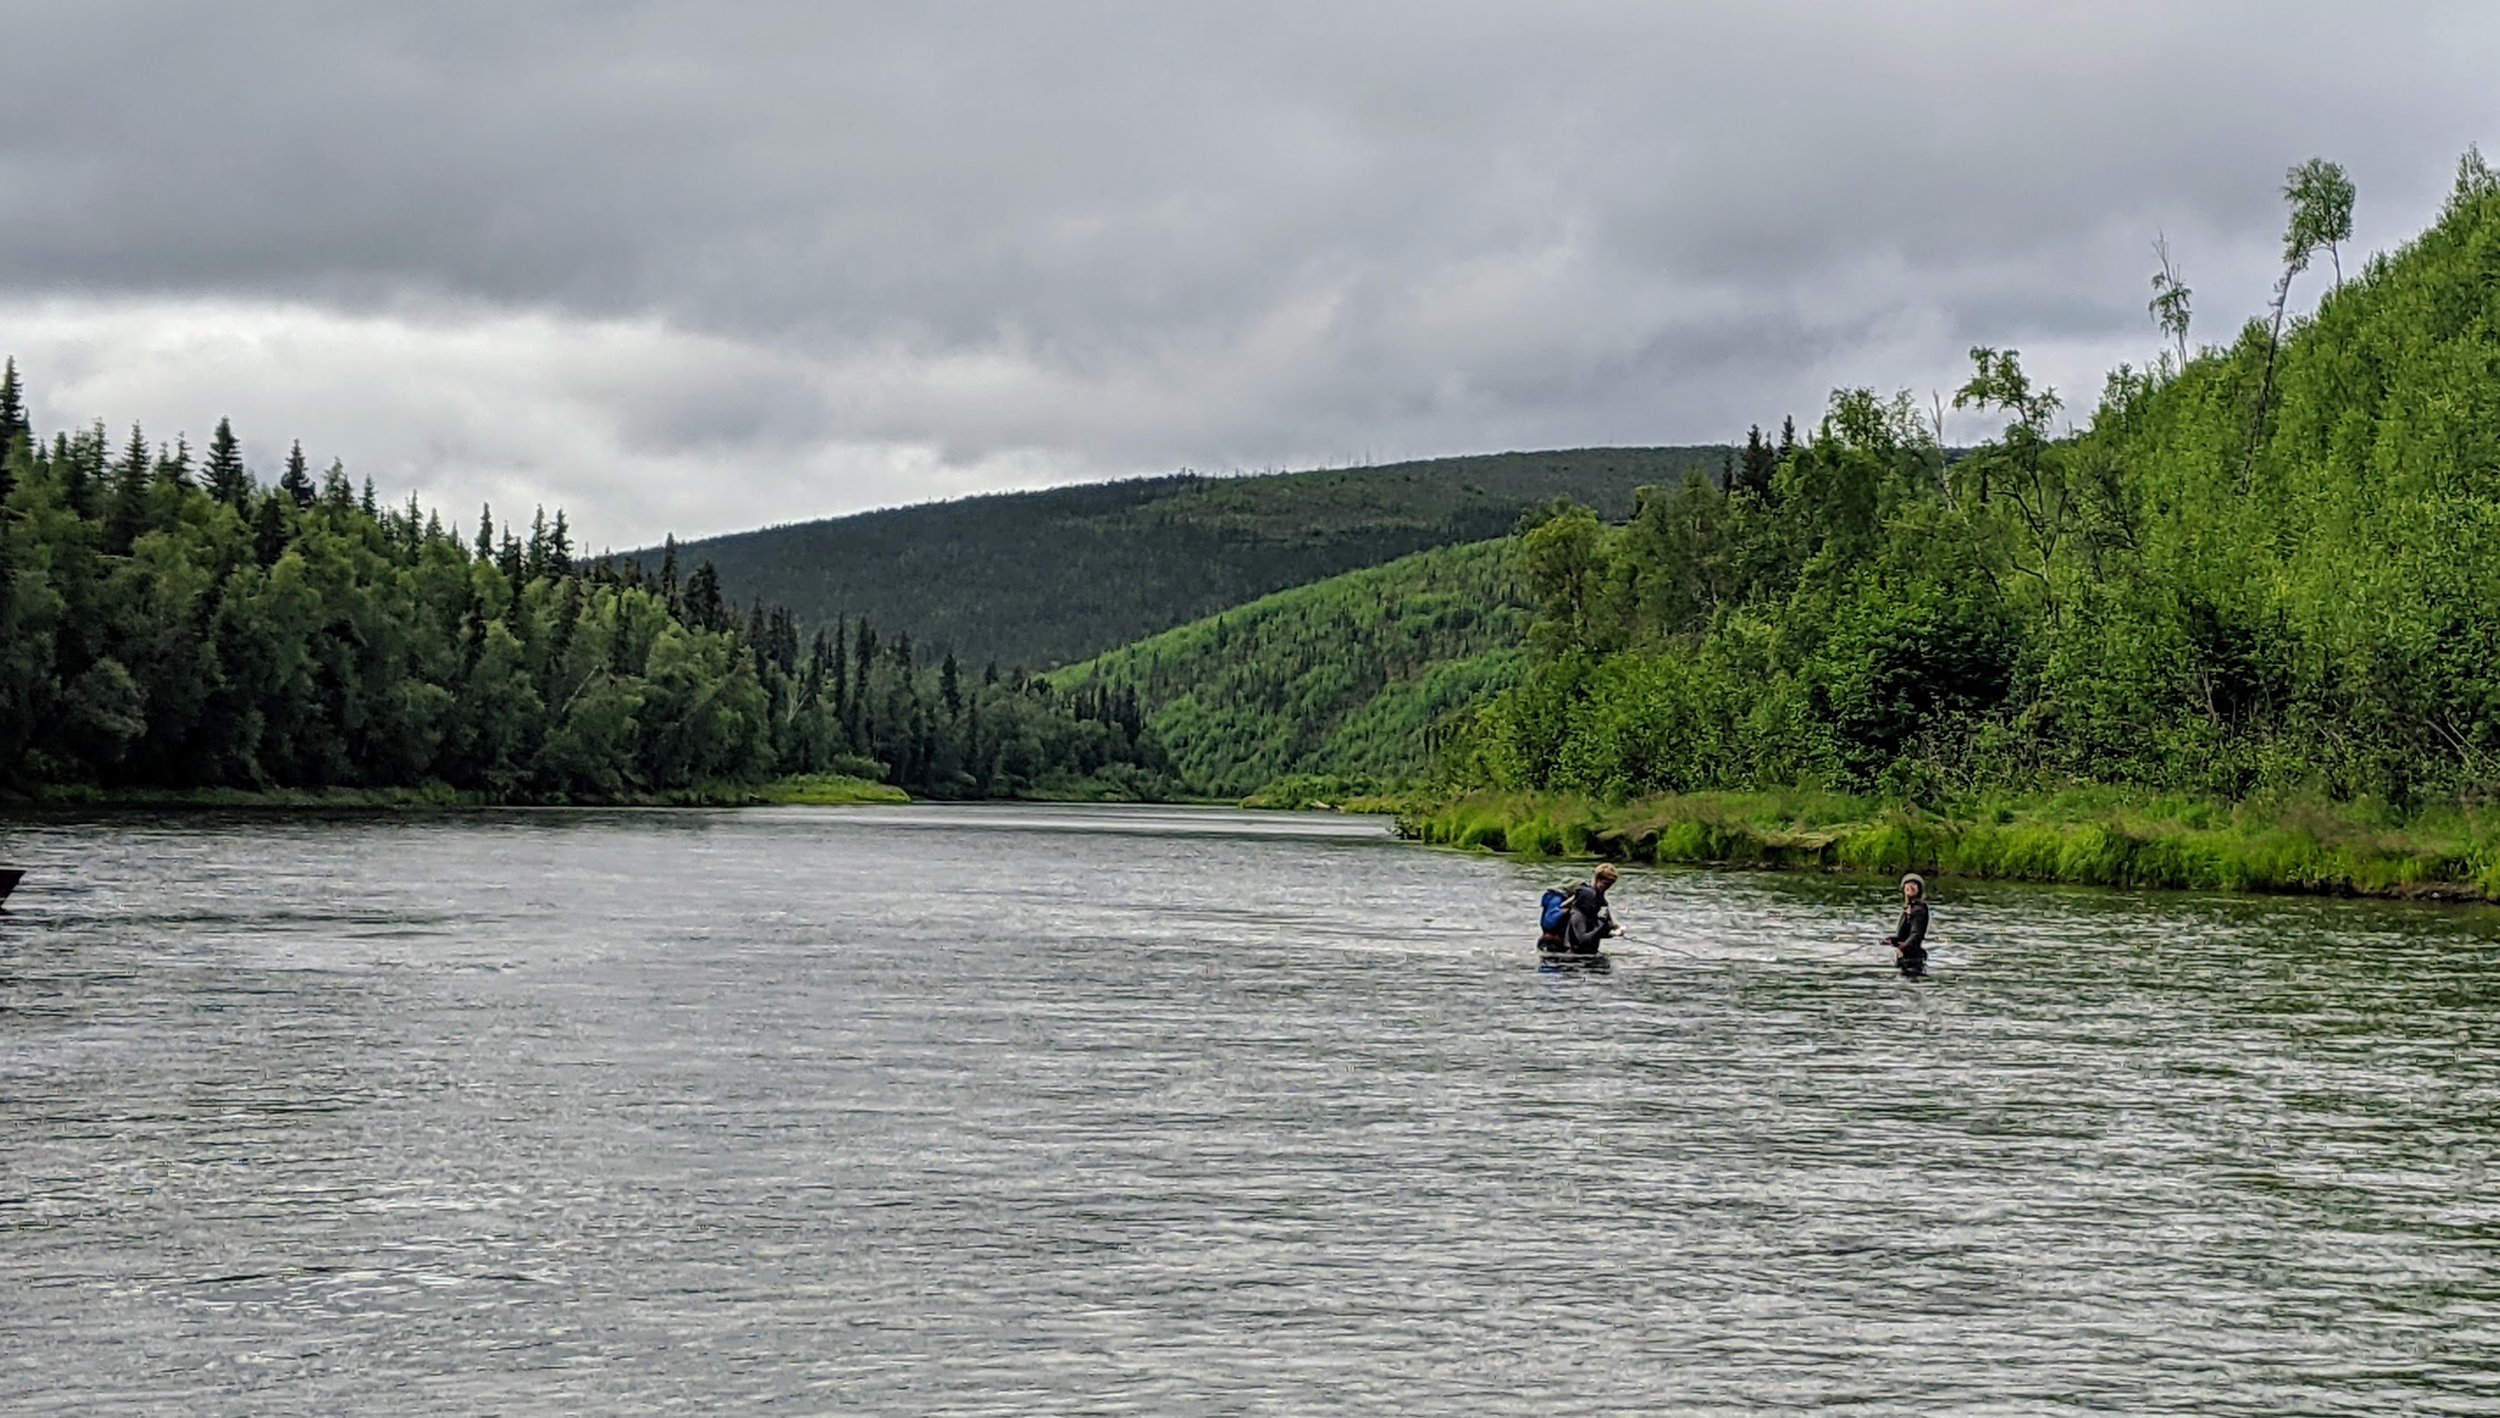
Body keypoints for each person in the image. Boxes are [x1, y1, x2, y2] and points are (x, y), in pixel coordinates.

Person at [1563, 863, 1621, 956]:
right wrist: (1602, 923)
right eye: (1606, 884)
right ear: (1598, 880)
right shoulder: (1578, 915)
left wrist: (1612, 931)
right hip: (1575, 957)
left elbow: (1597, 931)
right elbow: (1583, 940)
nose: (1607, 888)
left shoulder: (1601, 902)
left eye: (1610, 885)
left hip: (1590, 954)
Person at [1884, 873, 1930, 978]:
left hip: (1912, 956)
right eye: (1908, 884)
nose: (1910, 887)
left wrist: (1901, 948)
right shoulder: (1908, 908)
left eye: (1914, 884)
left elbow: (1916, 934)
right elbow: (1904, 935)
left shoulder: (1919, 909)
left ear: (1919, 889)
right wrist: (1893, 940)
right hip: (1907, 954)